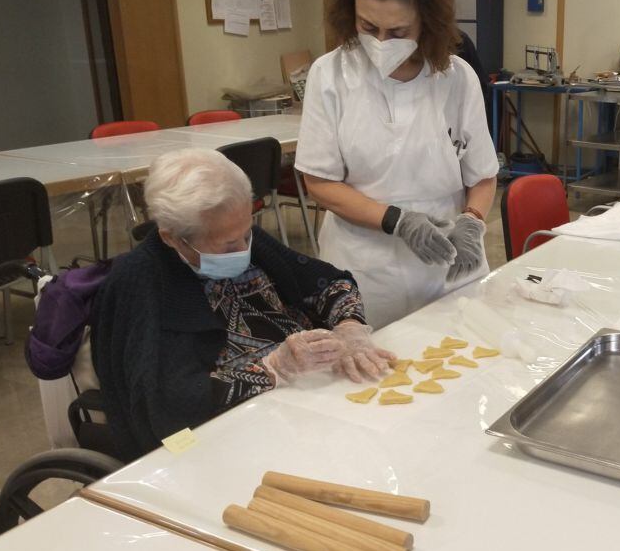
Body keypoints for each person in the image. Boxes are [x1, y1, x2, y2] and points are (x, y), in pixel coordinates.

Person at [91, 149, 393, 461]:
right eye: (227, 244)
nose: (244, 248)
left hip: (307, 404)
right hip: (228, 441)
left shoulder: (240, 234)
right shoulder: (140, 283)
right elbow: (166, 405)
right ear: (172, 238)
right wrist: (273, 368)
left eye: (246, 232)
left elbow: (330, 283)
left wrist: (349, 327)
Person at [295, 0, 498, 329]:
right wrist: (399, 221)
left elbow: (483, 175)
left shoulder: (457, 79)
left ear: (428, 22)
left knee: (459, 367)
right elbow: (319, 182)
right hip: (367, 270)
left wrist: (472, 221)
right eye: (367, 26)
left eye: (399, 31)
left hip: (447, 265)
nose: (381, 43)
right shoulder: (329, 75)